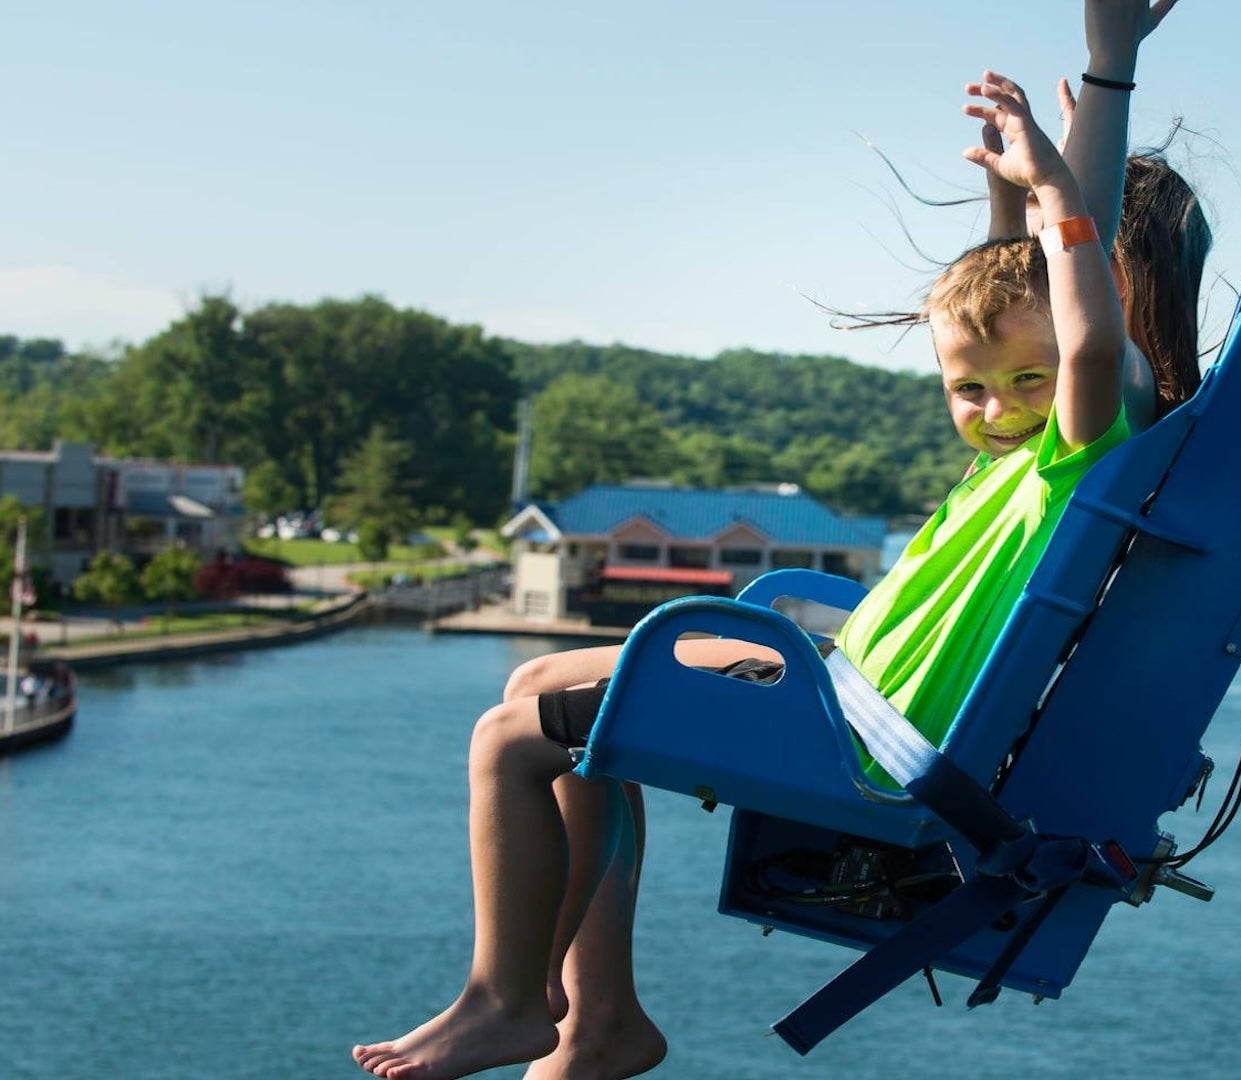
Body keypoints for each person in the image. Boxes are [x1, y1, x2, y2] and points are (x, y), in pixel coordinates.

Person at [353, 68, 1132, 1080]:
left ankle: (505, 999)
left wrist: (1063, 195)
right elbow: (1006, 308)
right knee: (534, 685)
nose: (996, 408)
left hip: (858, 731)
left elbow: (1089, 343)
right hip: (835, 682)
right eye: (968, 390)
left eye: (1028, 383)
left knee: (507, 743)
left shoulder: (1065, 463)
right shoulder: (1006, 467)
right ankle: (598, 1022)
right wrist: (1010, 197)